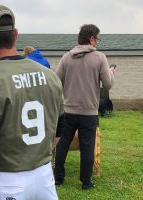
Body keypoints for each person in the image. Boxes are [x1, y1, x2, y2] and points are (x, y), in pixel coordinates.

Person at [0, 3, 63, 200]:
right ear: (16, 34)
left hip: (9, 179)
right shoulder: (49, 75)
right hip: (44, 175)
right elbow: (60, 126)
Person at [54, 24, 115, 189]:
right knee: (87, 147)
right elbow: (108, 85)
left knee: (62, 144)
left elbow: (56, 81)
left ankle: (58, 179)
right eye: (97, 38)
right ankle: (85, 182)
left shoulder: (66, 57)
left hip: (68, 110)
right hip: (89, 112)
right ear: (91, 38)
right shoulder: (100, 58)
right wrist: (110, 73)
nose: (97, 42)